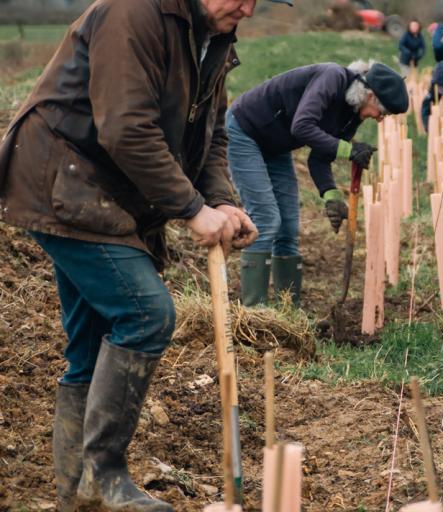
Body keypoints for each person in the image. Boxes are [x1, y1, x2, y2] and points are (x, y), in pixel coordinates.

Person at [0, 0, 282, 510]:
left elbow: (210, 135)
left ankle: (77, 493)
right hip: (63, 178)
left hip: (107, 195)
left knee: (91, 342)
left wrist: (219, 198)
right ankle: (102, 479)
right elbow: (126, 127)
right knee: (145, 314)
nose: (249, 8)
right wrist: (194, 211)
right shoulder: (134, 13)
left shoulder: (213, 36)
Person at [227, 60, 408, 307]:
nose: (379, 119)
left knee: (289, 227)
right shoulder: (331, 78)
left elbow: (319, 159)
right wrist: (349, 149)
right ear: (370, 94)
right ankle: (252, 312)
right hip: (245, 131)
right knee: (266, 220)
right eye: (382, 112)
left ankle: (288, 312)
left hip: (277, 145)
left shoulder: (352, 116)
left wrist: (332, 196)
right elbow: (302, 126)